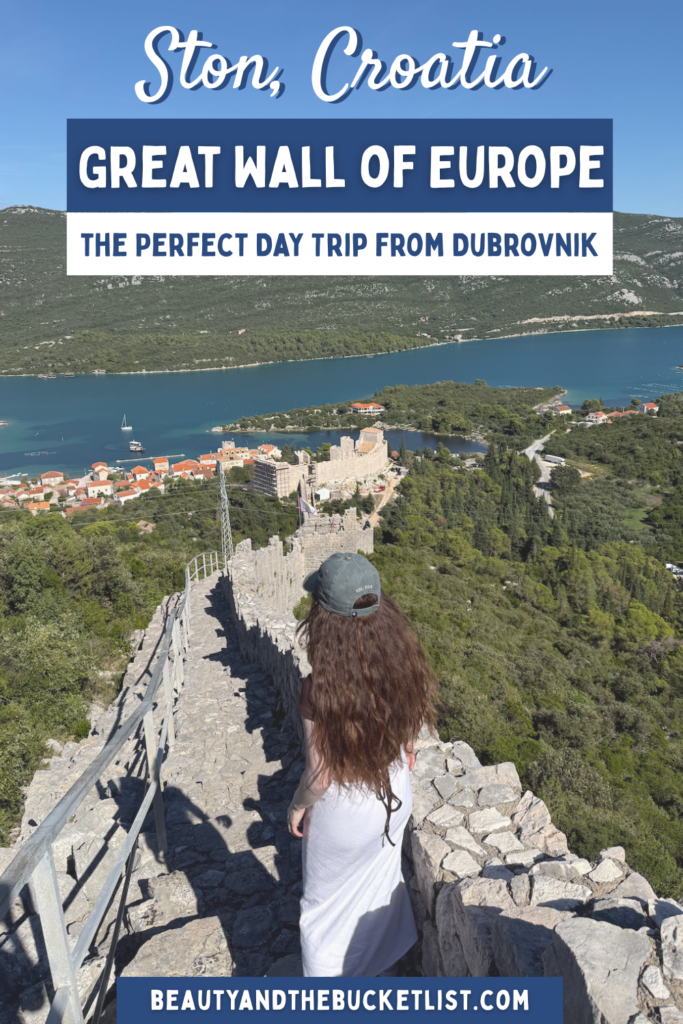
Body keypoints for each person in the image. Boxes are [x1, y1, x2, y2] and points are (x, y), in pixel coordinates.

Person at [287, 551, 438, 977]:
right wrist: (406, 745)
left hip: (345, 815)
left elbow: (320, 775)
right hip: (394, 794)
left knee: (323, 908)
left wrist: (297, 806)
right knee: (374, 887)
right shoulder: (402, 661)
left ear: (323, 616)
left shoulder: (319, 689)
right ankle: (376, 974)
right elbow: (410, 718)